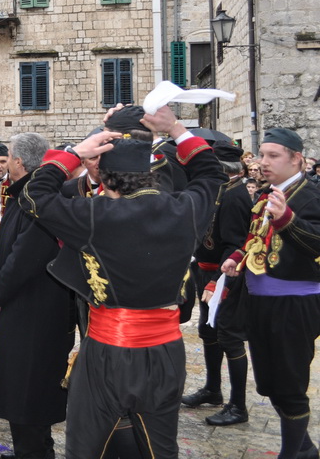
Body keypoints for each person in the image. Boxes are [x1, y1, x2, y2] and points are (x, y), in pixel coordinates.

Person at [20, 106, 225, 458]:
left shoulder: (94, 216)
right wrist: (176, 128)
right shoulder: (185, 209)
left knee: (86, 447)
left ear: (103, 172)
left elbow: (33, 196)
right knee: (161, 447)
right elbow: (212, 173)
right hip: (167, 351)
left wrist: (73, 153)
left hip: (107, 353)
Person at [221, 128, 320, 459]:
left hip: (293, 304)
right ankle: (304, 448)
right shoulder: (268, 193)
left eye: (273, 155)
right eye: (262, 154)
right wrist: (239, 256)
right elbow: (257, 238)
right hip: (260, 300)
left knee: (290, 386)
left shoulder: (311, 195)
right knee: (270, 382)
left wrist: (287, 220)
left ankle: (291, 454)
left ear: (296, 159)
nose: (263, 162)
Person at [0, 133, 75, 459]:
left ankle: (34, 452)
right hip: (26, 306)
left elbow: (25, 256)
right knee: (23, 388)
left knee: (29, 390)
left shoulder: (37, 199)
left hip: (37, 310)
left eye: (9, 155)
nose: (7, 161)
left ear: (19, 161)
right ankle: (32, 449)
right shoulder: (24, 193)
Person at [180, 140, 252, 426]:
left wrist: (217, 281)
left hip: (225, 275)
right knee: (208, 331)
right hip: (205, 269)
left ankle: (238, 405)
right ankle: (212, 389)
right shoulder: (221, 190)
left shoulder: (234, 196)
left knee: (229, 337)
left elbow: (235, 244)